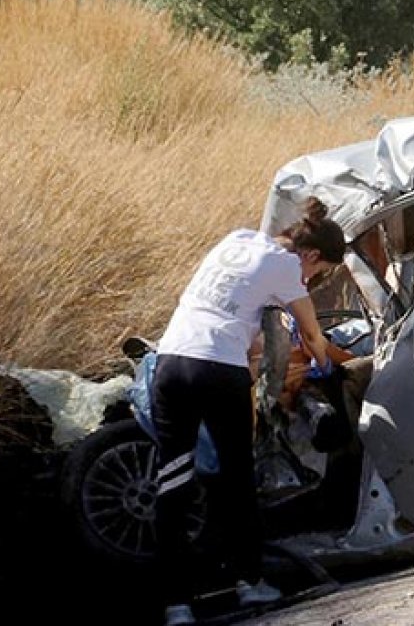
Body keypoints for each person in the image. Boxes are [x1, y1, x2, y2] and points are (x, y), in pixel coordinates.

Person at [152, 198, 344, 625]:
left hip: (170, 364)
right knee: (238, 480)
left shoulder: (235, 241)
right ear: (310, 255)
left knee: (172, 486)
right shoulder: (286, 267)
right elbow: (311, 333)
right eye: (320, 272)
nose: (312, 279)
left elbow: (243, 323)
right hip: (218, 370)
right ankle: (249, 583)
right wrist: (325, 366)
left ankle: (176, 606)